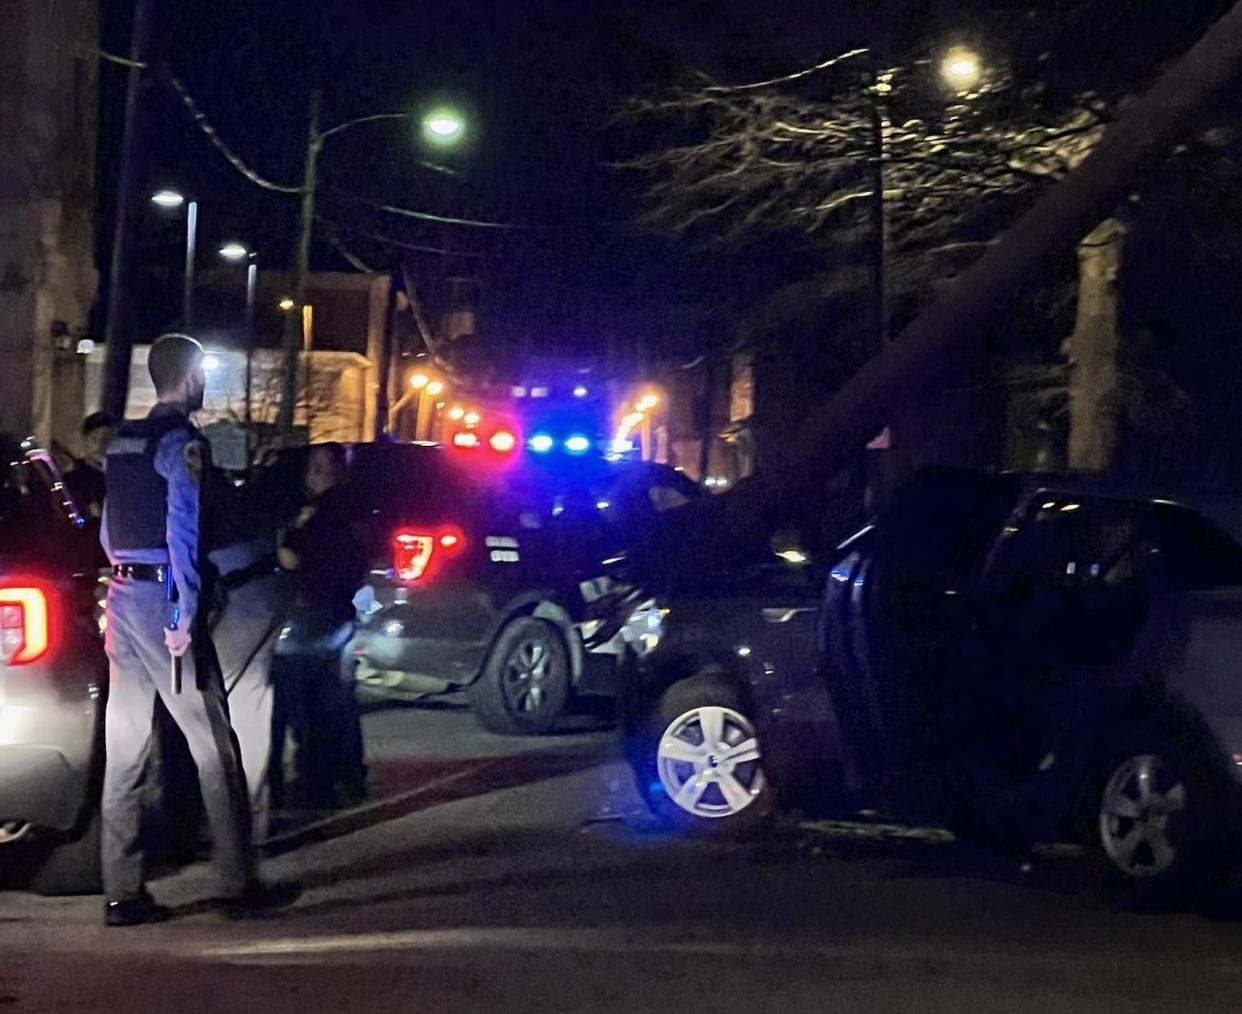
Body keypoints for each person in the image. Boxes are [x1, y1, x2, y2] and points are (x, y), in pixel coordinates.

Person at [99, 333, 287, 926]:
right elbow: (183, 531)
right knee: (214, 745)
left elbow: (109, 528)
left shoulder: (123, 441)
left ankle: (122, 891)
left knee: (125, 748)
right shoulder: (181, 442)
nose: (206, 383)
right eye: (203, 373)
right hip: (160, 602)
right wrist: (183, 611)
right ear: (188, 377)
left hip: (123, 595)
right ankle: (238, 883)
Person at [273, 442, 367, 808]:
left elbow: (294, 558)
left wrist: (288, 541)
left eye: (318, 466)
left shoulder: (325, 514)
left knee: (311, 705)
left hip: (315, 618)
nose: (314, 473)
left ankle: (317, 784)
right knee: (338, 700)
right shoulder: (352, 508)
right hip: (337, 615)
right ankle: (347, 775)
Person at [64, 411, 114, 519]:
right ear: (84, 439)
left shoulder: (121, 474)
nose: (99, 445)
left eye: (106, 439)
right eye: (94, 438)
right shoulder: (74, 478)